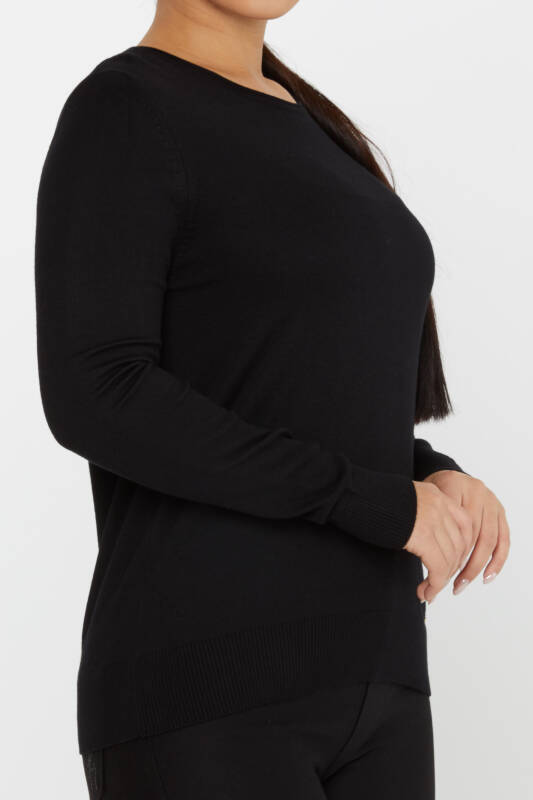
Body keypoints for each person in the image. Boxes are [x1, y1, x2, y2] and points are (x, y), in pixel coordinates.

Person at [34, 1, 510, 797]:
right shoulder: (125, 107)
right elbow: (98, 390)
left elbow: (292, 390)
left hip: (379, 672)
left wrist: (428, 473)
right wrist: (375, 502)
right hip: (206, 684)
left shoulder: (313, 124)